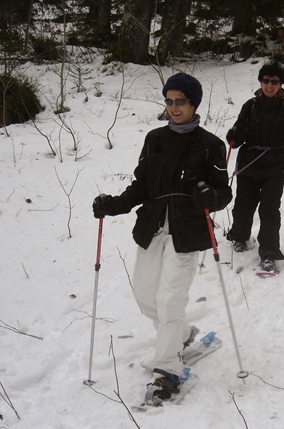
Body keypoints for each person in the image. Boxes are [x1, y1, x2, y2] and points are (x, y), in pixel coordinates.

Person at [92, 73, 232, 404]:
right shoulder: (155, 139)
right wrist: (113, 205)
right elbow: (141, 185)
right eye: (169, 101)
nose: (173, 107)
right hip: (152, 227)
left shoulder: (210, 145)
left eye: (180, 101)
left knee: (170, 300)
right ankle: (181, 336)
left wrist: (209, 198)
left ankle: (167, 371)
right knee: (146, 297)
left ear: (193, 103)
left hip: (187, 232)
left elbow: (224, 193)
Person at [225, 60, 284, 273]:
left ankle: (269, 252)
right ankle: (240, 236)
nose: (269, 85)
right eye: (265, 81)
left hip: (275, 165)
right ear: (260, 81)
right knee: (244, 204)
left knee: (269, 209)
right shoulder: (250, 106)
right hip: (249, 162)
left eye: (274, 81)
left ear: (281, 84)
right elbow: (240, 131)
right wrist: (234, 135)